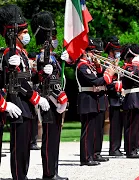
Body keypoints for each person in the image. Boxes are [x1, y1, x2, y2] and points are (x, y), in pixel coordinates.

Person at [0, 4, 50, 179]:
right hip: (18, 101)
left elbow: (29, 79)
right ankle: (19, 176)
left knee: (25, 147)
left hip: (26, 104)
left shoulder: (22, 54)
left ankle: (23, 175)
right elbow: (17, 81)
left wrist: (42, 73)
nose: (26, 35)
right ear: (14, 35)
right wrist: (36, 98)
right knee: (19, 147)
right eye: (23, 32)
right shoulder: (9, 53)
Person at [31, 11, 69, 180]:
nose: (55, 39)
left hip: (55, 102)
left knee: (55, 138)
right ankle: (48, 173)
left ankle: (53, 170)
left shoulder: (52, 57)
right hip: (48, 101)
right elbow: (47, 81)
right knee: (49, 139)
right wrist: (58, 97)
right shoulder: (42, 57)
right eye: (52, 36)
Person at [71, 38, 115, 166]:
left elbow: (98, 77)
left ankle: (92, 154)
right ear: (86, 52)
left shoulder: (90, 65)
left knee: (95, 130)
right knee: (88, 130)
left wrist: (99, 68)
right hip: (87, 100)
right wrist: (108, 76)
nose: (94, 55)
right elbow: (95, 81)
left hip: (93, 100)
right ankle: (85, 157)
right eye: (92, 52)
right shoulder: (82, 66)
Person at [121, 44, 139, 158]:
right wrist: (136, 67)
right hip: (132, 99)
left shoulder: (133, 67)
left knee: (135, 126)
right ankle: (130, 150)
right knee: (131, 126)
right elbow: (131, 77)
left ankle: (134, 148)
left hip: (137, 98)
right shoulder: (127, 67)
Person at [102, 36, 125, 156]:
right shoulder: (106, 62)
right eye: (116, 51)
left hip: (118, 95)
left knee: (118, 123)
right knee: (115, 124)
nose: (118, 53)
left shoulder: (114, 63)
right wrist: (117, 85)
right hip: (111, 95)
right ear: (111, 51)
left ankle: (117, 147)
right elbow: (107, 81)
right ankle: (113, 148)